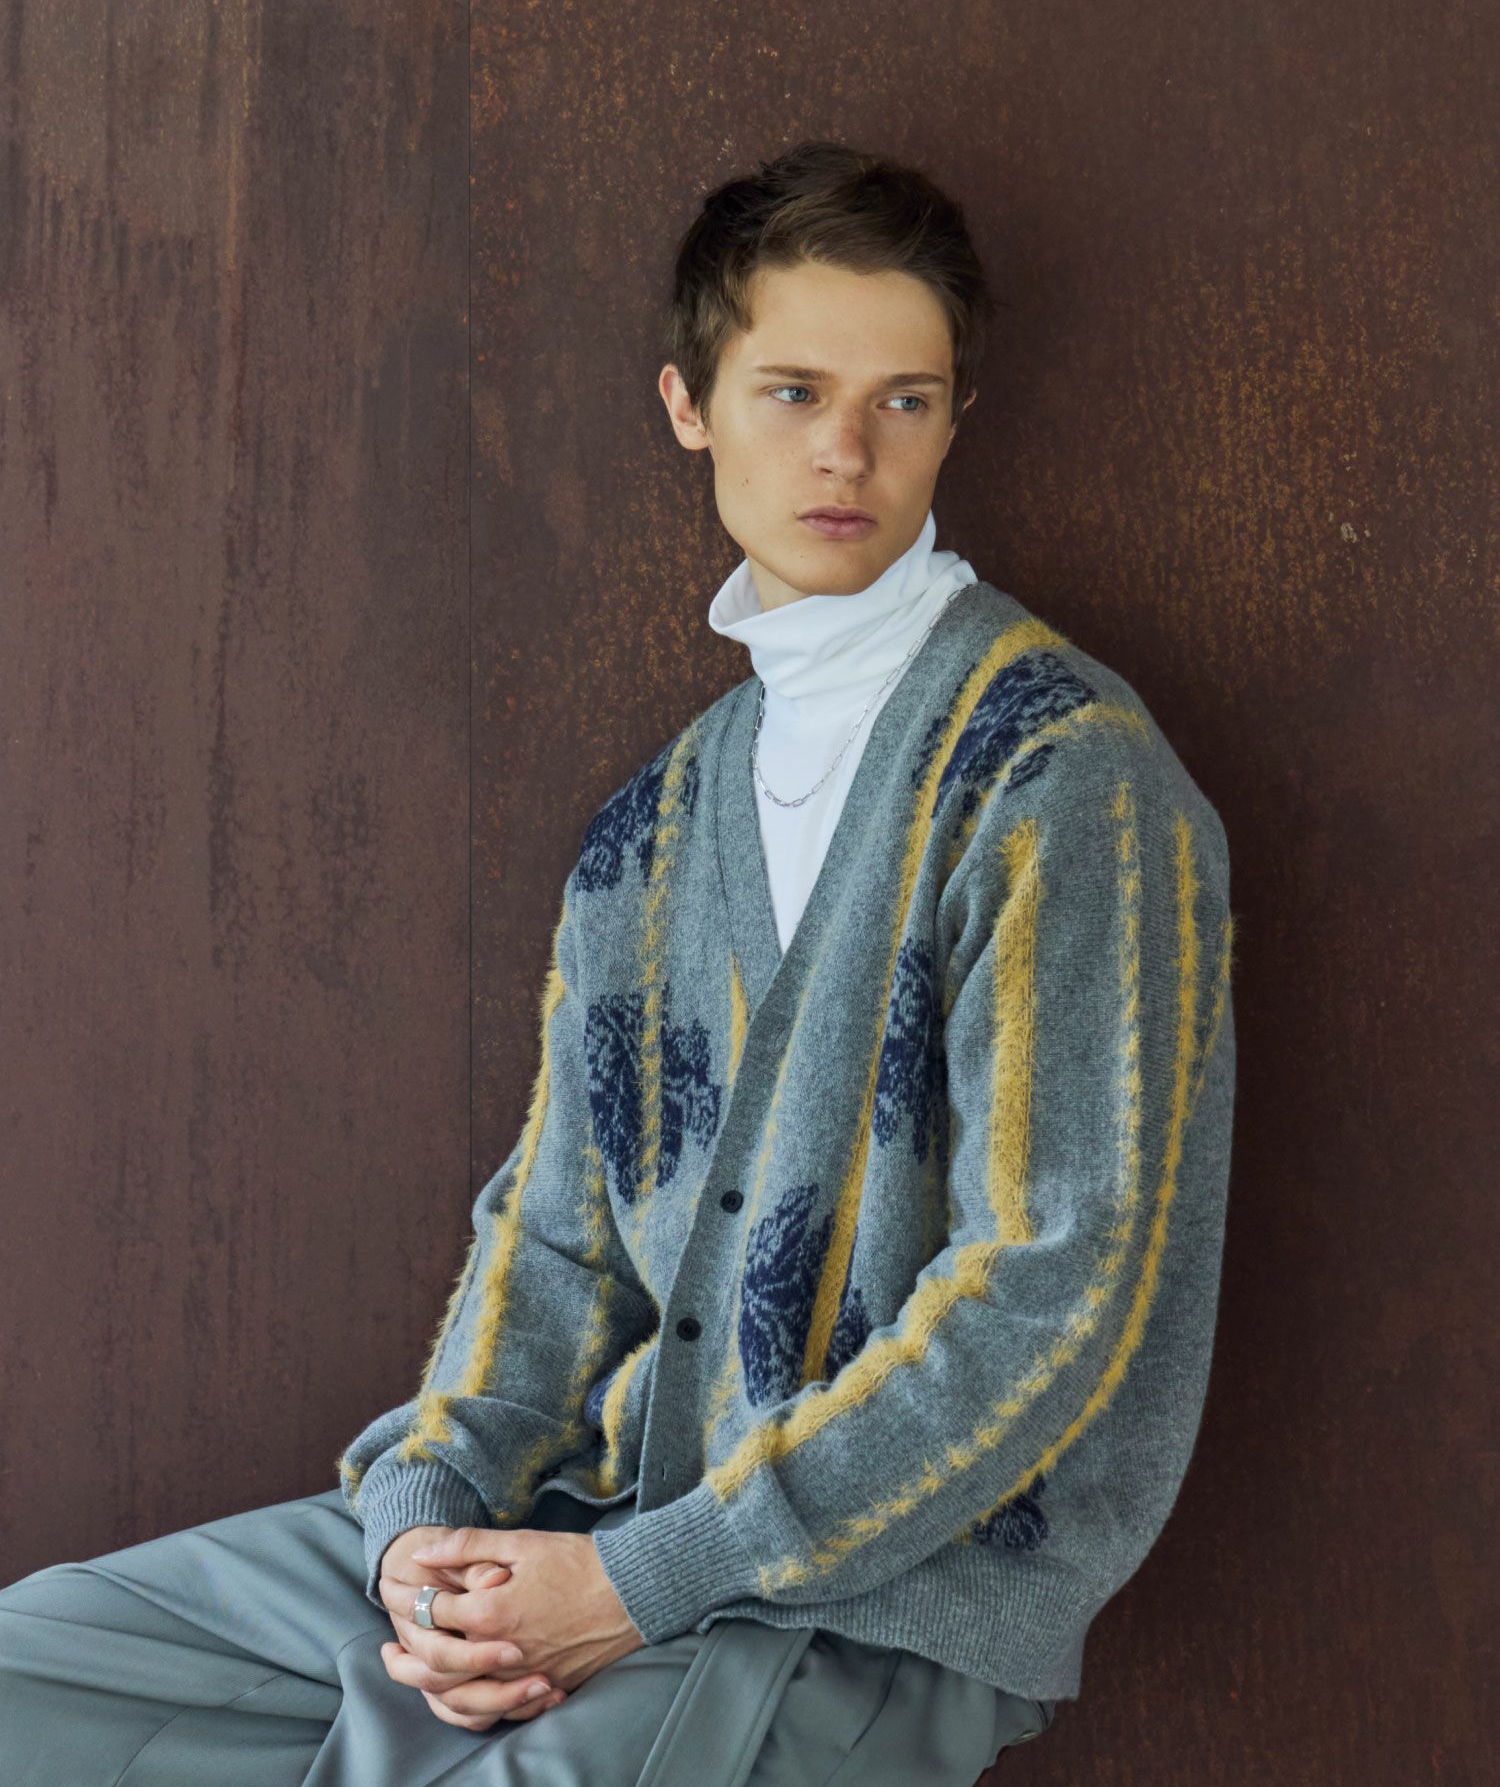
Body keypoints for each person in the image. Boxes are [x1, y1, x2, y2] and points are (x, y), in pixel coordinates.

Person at [0, 139, 1235, 1785]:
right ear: (688, 404)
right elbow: (556, 1243)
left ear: (955, 418)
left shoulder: (1061, 779)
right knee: (27, 1678)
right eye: (792, 392)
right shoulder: (649, 834)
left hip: (870, 1608)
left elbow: (1048, 1291)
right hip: (587, 1525)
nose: (848, 451)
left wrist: (640, 1586)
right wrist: (422, 1527)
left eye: (906, 400)